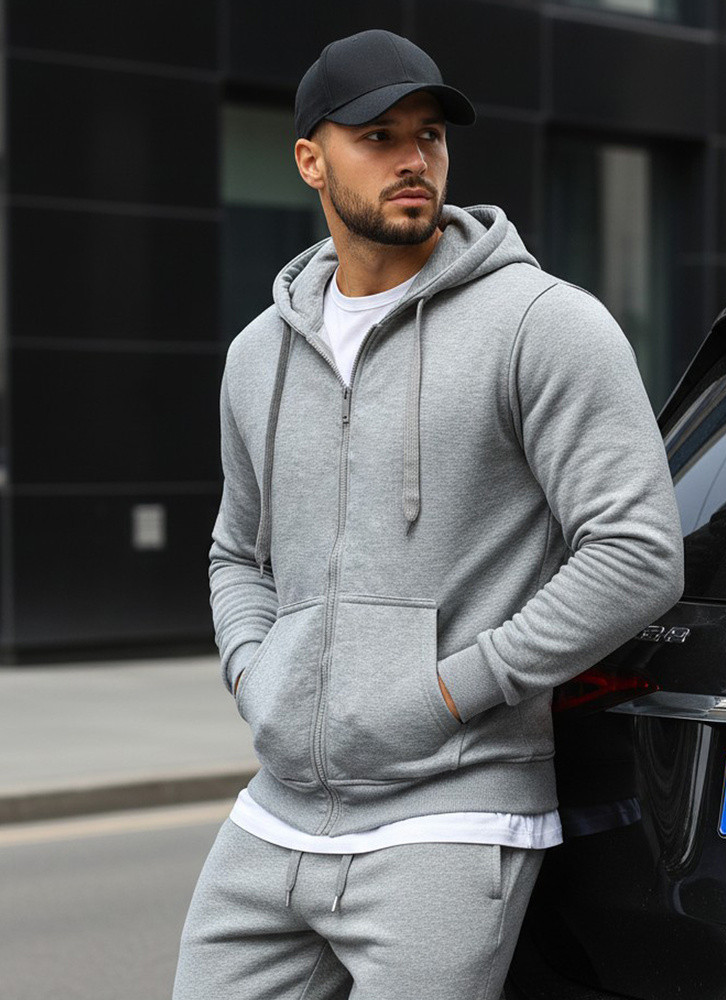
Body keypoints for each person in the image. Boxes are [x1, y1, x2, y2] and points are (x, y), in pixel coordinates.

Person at [172, 28, 684, 1000]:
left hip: (452, 815)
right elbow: (237, 550)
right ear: (311, 160)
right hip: (276, 815)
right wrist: (255, 673)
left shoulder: (541, 325)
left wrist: (453, 689)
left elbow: (636, 551)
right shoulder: (258, 355)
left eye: (430, 135)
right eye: (379, 136)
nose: (414, 158)